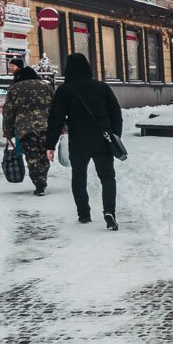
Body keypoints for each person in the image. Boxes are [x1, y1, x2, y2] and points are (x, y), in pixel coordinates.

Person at [45, 53, 122, 230]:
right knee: (108, 178)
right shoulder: (102, 88)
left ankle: (84, 214)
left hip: (78, 140)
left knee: (79, 177)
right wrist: (115, 136)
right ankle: (109, 211)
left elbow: (55, 118)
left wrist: (50, 144)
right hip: (103, 139)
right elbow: (116, 114)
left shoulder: (65, 90)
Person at [2, 66, 54, 196]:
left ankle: (39, 183)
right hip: (46, 127)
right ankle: (43, 178)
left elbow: (8, 111)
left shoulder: (14, 89)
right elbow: (55, 107)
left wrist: (7, 131)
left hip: (25, 128)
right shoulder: (46, 86)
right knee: (44, 155)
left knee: (32, 157)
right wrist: (62, 126)